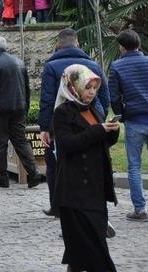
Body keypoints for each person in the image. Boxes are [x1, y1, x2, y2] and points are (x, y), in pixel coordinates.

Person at [52, 64, 119, 272]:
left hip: (96, 190)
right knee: (96, 253)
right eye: (87, 87)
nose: (91, 92)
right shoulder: (63, 113)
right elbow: (67, 144)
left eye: (94, 88)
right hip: (75, 192)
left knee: (83, 251)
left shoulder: (93, 110)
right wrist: (98, 131)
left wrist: (111, 132)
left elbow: (100, 143)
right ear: (73, 87)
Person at [39, 28, 110, 217]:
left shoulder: (51, 67)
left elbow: (46, 99)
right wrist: (101, 115)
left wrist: (45, 127)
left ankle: (58, 205)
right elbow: (104, 94)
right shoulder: (92, 65)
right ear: (78, 44)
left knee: (56, 163)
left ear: (57, 45)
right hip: (91, 116)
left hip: (61, 118)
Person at [107, 29, 148, 221]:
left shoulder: (117, 66)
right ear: (139, 44)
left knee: (134, 166)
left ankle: (140, 209)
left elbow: (113, 96)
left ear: (121, 47)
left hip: (134, 120)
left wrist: (120, 114)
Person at [0, 36, 46, 188]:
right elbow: (26, 89)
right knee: (21, 140)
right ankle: (34, 172)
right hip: (19, 108)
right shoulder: (19, 63)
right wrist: (26, 107)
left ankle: (2, 178)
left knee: (0, 144)